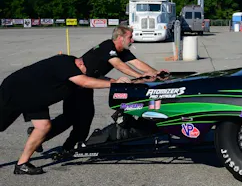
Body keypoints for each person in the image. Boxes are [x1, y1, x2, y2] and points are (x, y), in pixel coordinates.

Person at [40, 25, 168, 157]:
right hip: (77, 84)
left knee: (76, 117)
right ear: (120, 38)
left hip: (86, 85)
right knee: (78, 117)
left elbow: (137, 63)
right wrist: (140, 76)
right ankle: (61, 143)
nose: (132, 40)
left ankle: (51, 139)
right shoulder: (108, 46)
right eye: (130, 37)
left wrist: (156, 73)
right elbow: (119, 65)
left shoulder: (122, 50)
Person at [0, 55, 130, 174]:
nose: (87, 75)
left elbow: (93, 78)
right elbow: (85, 82)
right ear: (80, 64)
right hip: (16, 90)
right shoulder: (65, 65)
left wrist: (118, 81)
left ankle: (21, 165)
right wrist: (113, 84)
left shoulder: (77, 66)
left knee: (43, 126)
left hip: (35, 98)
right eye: (85, 73)